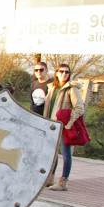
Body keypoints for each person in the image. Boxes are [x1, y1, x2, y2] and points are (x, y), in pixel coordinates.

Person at [43, 64, 84, 192]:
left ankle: (63, 182)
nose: (64, 74)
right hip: (52, 126)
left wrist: (69, 122)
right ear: (56, 73)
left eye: (67, 72)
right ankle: (50, 178)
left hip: (64, 126)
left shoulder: (71, 89)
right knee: (52, 152)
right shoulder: (52, 88)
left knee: (66, 154)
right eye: (62, 71)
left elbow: (79, 108)